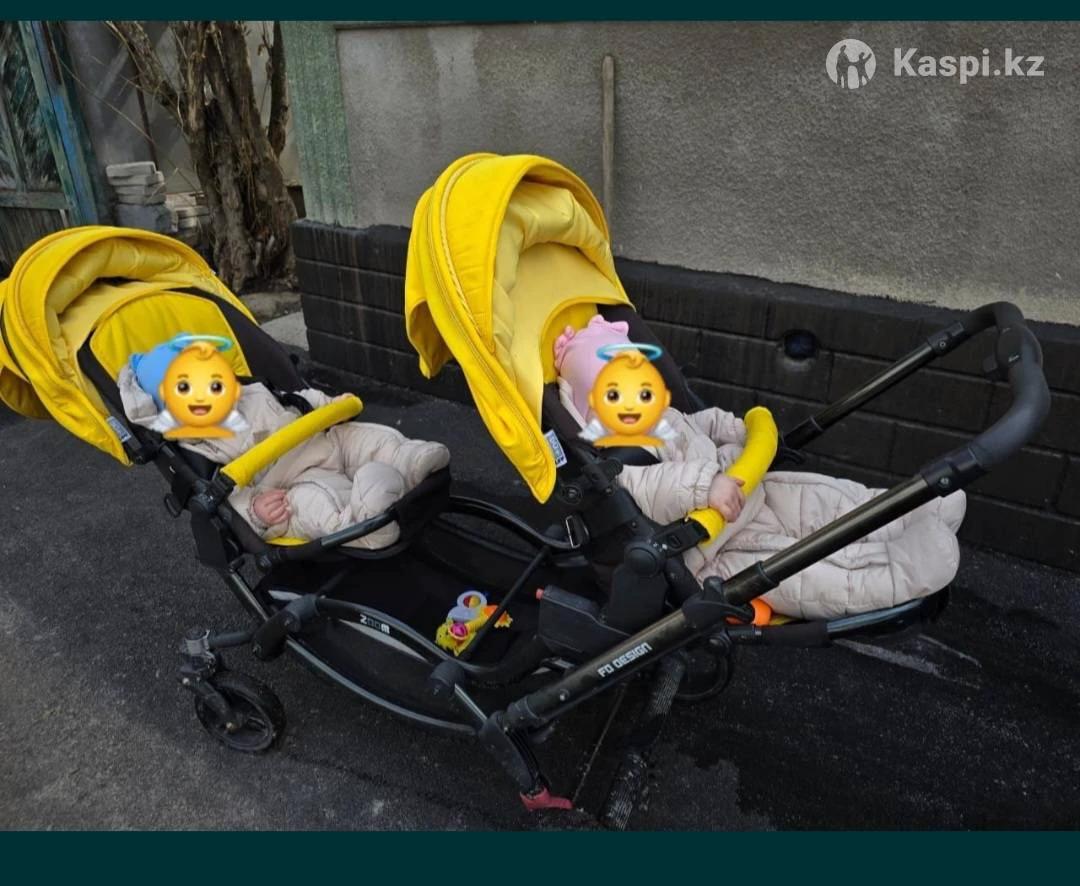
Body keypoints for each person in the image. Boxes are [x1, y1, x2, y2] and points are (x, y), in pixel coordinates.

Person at [554, 315, 966, 620]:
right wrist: (706, 486)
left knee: (819, 498)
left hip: (750, 495)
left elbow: (706, 422)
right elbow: (650, 488)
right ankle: (899, 570)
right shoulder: (618, 463)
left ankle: (905, 510)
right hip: (708, 551)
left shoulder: (667, 418)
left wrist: (744, 428)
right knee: (806, 571)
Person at [119, 336, 449, 549]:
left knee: (365, 437)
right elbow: (225, 495)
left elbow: (298, 400)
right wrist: (257, 513)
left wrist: (330, 404)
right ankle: (367, 526)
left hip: (322, 443)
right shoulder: (199, 445)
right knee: (316, 505)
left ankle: (410, 462)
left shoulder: (254, 392)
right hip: (288, 487)